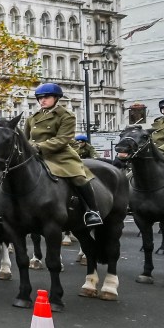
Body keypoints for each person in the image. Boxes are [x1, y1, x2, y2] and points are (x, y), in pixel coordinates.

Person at [25, 83, 102, 227]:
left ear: (56, 98)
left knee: (79, 178)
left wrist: (39, 147)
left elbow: (63, 139)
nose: (42, 100)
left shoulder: (66, 116)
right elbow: (26, 138)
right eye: (40, 98)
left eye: (46, 97)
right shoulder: (32, 117)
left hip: (59, 154)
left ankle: (92, 210)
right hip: (34, 154)